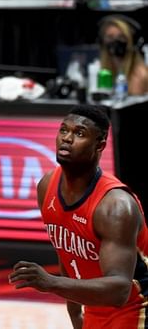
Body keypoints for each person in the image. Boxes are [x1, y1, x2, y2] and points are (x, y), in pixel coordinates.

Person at [8, 104, 148, 329]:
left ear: (99, 145)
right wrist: (75, 313)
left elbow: (120, 289)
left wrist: (51, 282)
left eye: (79, 133)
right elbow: (67, 255)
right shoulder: (47, 186)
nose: (67, 138)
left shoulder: (115, 207)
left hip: (136, 308)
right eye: (64, 130)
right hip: (93, 305)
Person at [98, 14, 148, 95]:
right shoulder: (102, 71)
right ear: (102, 42)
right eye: (110, 37)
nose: (115, 41)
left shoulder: (140, 74)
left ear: (131, 41)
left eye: (121, 37)